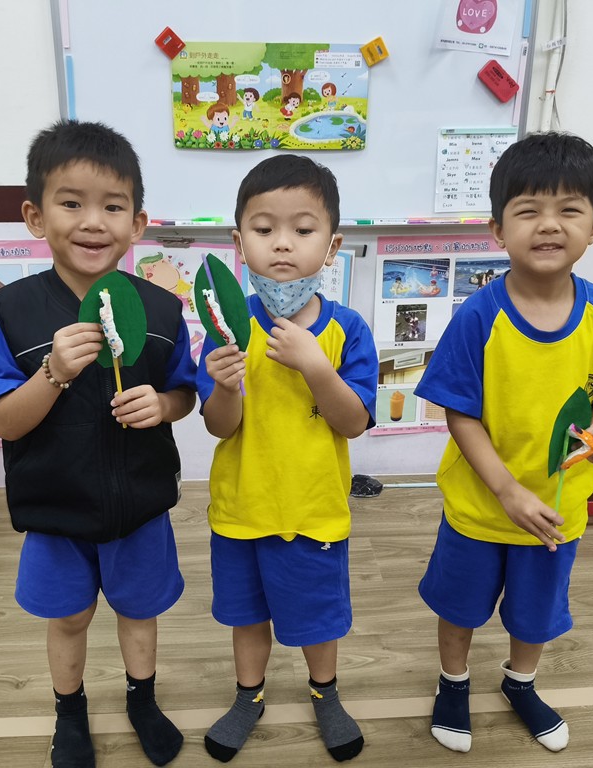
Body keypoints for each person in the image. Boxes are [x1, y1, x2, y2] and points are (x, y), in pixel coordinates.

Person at [0, 119, 197, 768]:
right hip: (56, 510)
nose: (93, 222)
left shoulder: (161, 312)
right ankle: (69, 711)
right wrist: (52, 373)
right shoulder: (13, 314)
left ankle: (142, 698)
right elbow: (4, 424)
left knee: (139, 611)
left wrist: (164, 405)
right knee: (67, 618)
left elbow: (185, 393)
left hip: (139, 507)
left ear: (138, 223)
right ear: (36, 218)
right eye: (71, 203)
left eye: (113, 207)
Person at [413, 132, 593, 755]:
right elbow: (460, 416)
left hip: (557, 510)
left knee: (535, 613)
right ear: (498, 229)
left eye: (569, 209)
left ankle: (521, 683)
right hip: (481, 506)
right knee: (460, 606)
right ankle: (453, 683)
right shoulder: (478, 315)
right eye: (528, 210)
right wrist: (507, 491)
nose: (548, 224)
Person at [197, 155, 378, 763]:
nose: (282, 244)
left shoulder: (347, 330)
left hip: (313, 510)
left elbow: (354, 422)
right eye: (263, 228)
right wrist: (225, 386)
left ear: (332, 245)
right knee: (246, 616)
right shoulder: (225, 327)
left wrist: (316, 366)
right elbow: (219, 427)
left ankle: (325, 692)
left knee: (318, 618)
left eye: (303, 229)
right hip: (242, 509)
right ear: (238, 241)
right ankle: (248, 697)